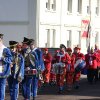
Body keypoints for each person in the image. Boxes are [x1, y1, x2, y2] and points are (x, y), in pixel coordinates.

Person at [0, 33, 12, 100]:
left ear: (1, 40)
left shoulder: (6, 49)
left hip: (3, 70)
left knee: (2, 86)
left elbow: (10, 59)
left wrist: (2, 58)